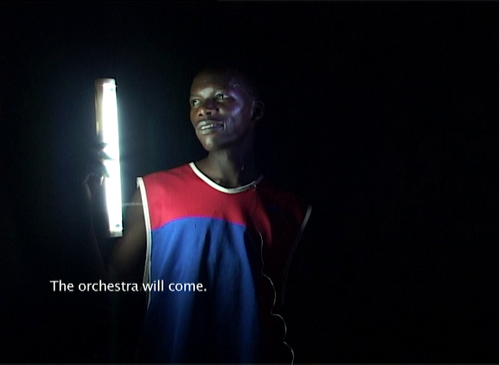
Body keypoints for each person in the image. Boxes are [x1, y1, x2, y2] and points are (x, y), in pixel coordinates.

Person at [86, 66, 311, 363]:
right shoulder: (155, 192)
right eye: (195, 102)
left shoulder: (291, 210)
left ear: (255, 112)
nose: (205, 110)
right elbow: (115, 283)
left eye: (220, 97)